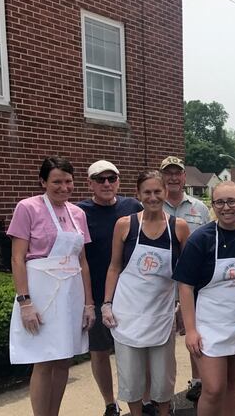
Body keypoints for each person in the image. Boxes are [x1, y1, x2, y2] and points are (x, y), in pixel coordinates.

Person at [7, 156, 96, 416]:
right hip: (41, 292)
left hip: (71, 293)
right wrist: (25, 302)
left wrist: (88, 304)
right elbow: (17, 257)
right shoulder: (27, 207)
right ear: (43, 181)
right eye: (57, 181)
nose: (63, 187)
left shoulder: (77, 213)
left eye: (68, 181)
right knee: (44, 360)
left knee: (63, 359)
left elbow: (83, 261)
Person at [100, 170, 188, 416]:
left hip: (161, 315)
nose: (153, 197)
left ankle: (163, 412)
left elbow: (186, 275)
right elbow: (115, 266)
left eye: (157, 191)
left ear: (165, 192)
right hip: (126, 314)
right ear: (138, 194)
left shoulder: (178, 228)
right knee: (131, 378)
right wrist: (107, 303)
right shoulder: (125, 225)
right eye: (147, 192)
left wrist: (182, 307)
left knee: (163, 379)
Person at [174, 180, 235, 416]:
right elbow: (186, 286)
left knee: (234, 385)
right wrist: (191, 330)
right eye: (220, 202)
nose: (226, 207)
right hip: (209, 324)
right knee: (213, 388)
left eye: (232, 201)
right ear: (213, 205)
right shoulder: (201, 238)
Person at [77, 160, 143, 416]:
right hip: (95, 293)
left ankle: (143, 399)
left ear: (118, 181)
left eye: (111, 178)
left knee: (138, 349)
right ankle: (109, 403)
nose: (106, 184)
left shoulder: (132, 207)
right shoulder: (79, 212)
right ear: (89, 183)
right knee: (100, 351)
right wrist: (88, 301)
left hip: (132, 295)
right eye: (100, 179)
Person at [159, 155, 210, 401]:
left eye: (176, 173)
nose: (172, 177)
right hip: (161, 282)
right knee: (162, 337)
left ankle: (198, 381)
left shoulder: (199, 208)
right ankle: (163, 391)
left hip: (194, 282)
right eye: (168, 173)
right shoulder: (151, 206)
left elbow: (211, 241)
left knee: (194, 330)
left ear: (184, 176)